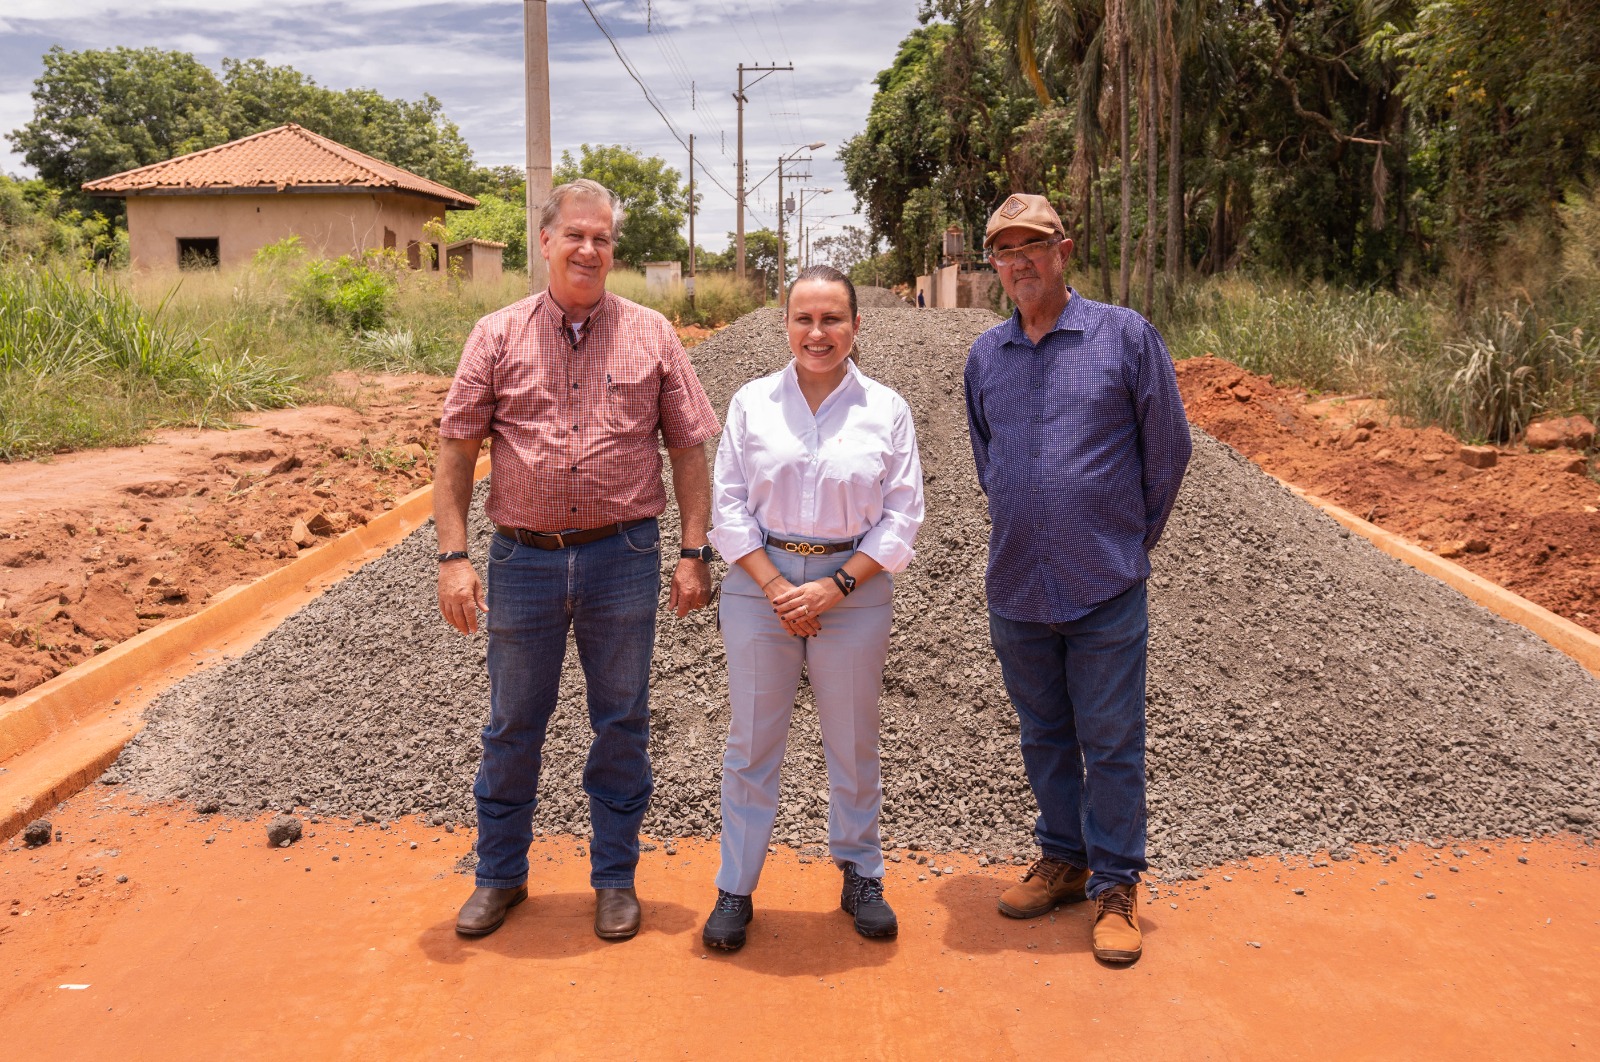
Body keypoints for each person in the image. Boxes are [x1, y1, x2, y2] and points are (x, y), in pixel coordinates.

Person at [434, 178, 720, 942]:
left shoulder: (654, 334)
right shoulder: (495, 334)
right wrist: (452, 557)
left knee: (622, 722)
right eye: (575, 236)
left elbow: (689, 448)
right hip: (521, 560)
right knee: (511, 724)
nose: (589, 250)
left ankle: (615, 879)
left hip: (622, 556)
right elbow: (457, 449)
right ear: (546, 241)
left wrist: (694, 551)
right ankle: (499, 876)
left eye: (602, 238)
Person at [963, 193, 1191, 964]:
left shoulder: (1124, 338)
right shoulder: (986, 356)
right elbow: (988, 458)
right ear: (993, 264)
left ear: (1065, 250)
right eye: (1004, 250)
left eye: (1033, 246)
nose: (1019, 261)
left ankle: (1117, 884)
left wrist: (1124, 538)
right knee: (1044, 736)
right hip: (1018, 585)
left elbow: (1169, 453)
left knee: (1113, 740)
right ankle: (1064, 856)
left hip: (1104, 585)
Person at [700, 265, 925, 952]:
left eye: (832, 319)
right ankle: (735, 887)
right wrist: (775, 587)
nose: (817, 332)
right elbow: (729, 507)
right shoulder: (751, 403)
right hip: (757, 586)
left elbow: (902, 515)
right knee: (751, 743)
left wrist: (837, 586)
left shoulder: (886, 408)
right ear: (786, 325)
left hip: (852, 589)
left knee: (853, 743)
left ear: (857, 326)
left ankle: (861, 873)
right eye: (804, 318)